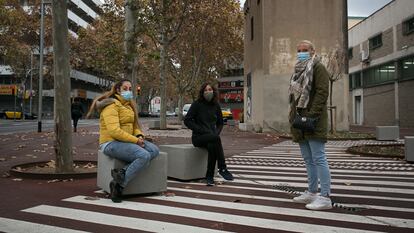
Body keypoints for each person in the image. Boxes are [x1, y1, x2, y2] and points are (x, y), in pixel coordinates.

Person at [86, 79, 160, 203]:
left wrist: (139, 136)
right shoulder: (111, 105)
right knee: (144, 155)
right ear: (117, 90)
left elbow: (135, 125)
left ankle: (121, 173)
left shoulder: (128, 106)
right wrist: (136, 141)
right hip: (110, 143)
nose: (128, 91)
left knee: (154, 150)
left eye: (130, 89)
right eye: (125, 89)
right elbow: (114, 131)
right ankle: (118, 185)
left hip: (127, 141)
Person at [288, 40, 332, 210]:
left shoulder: (318, 67)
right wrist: (293, 117)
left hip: (314, 120)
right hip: (300, 121)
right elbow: (294, 97)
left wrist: (311, 115)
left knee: (319, 158)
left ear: (313, 51)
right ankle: (312, 192)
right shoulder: (298, 70)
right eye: (299, 50)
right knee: (308, 159)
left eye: (305, 50)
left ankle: (325, 196)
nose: (301, 52)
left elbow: (322, 92)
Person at [184, 83, 234, 186]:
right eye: (205, 90)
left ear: (213, 91)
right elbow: (187, 120)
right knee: (215, 140)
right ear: (202, 92)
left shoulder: (216, 105)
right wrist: (200, 129)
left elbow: (220, 123)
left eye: (210, 89)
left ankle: (209, 176)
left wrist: (216, 133)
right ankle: (222, 168)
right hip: (198, 138)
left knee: (212, 145)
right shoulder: (197, 104)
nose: (208, 92)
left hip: (212, 137)